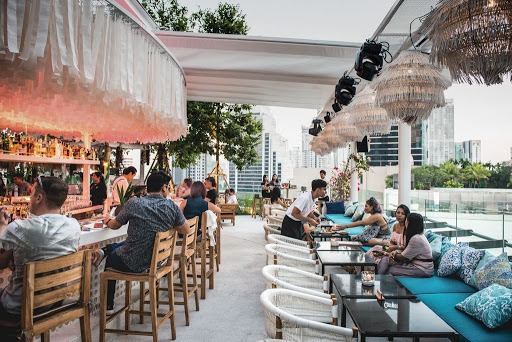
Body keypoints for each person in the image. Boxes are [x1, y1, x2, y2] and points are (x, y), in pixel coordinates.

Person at [92, 172, 191, 314]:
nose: (168, 190)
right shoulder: (171, 206)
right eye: (168, 188)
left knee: (113, 257)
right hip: (157, 261)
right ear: (163, 188)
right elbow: (186, 230)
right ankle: (105, 250)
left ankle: (108, 306)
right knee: (131, 243)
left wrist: (107, 219)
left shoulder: (134, 203)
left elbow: (114, 225)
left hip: (133, 262)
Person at [0, 176, 80, 322]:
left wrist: (2, 226)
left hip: (22, 308)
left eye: (31, 194)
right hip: (56, 301)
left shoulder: (19, 228)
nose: (29, 198)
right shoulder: (74, 226)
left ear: (39, 198)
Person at [376, 213, 434, 278]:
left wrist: (386, 253)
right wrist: (394, 252)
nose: (405, 222)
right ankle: (376, 278)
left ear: (409, 223)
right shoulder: (417, 235)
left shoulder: (416, 238)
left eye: (406, 220)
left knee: (390, 270)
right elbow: (406, 250)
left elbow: (401, 257)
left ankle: (377, 279)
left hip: (423, 269)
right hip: (414, 263)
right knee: (386, 259)